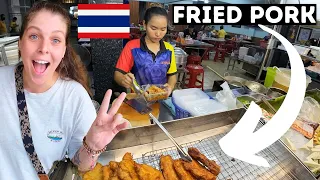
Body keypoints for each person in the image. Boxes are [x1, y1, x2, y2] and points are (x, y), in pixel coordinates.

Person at [0, 1, 130, 179]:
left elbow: (80, 165)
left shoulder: (74, 97)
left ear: (63, 51)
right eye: (34, 36)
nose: (43, 48)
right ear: (20, 43)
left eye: (55, 40)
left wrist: (92, 145)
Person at [114, 6, 177, 96]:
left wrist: (170, 86)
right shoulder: (131, 47)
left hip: (161, 97)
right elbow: (118, 74)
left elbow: (172, 75)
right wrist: (123, 80)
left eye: (163, 29)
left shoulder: (169, 49)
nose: (158, 34)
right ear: (144, 25)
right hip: (139, 98)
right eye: (154, 28)